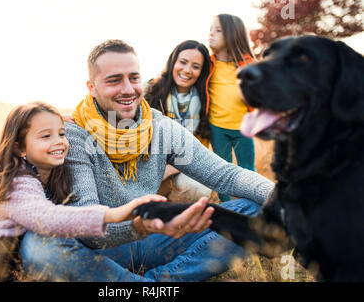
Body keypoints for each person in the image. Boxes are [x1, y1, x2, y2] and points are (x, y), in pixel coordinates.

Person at [20, 40, 275, 282]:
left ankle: (163, 279)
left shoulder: (161, 128)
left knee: (258, 208)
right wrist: (140, 226)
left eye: (134, 78)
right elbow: (89, 232)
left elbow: (226, 175)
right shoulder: (72, 134)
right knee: (38, 246)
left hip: (159, 239)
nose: (128, 90)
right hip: (101, 250)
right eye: (114, 80)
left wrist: (289, 200)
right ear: (92, 87)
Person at [0, 101, 165, 282]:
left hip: (3, 253)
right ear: (20, 147)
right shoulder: (13, 180)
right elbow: (46, 217)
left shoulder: (50, 173)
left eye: (61, 134)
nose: (59, 142)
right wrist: (114, 215)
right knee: (41, 240)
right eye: (46, 136)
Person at [144, 40, 213, 202]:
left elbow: (196, 153)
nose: (187, 70)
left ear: (202, 72)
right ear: (173, 62)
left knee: (198, 187)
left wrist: (169, 169)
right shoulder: (151, 90)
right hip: (146, 165)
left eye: (196, 66)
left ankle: (176, 216)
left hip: (181, 168)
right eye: (183, 62)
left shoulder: (206, 102)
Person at [208, 14, 257, 202]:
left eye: (218, 30)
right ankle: (227, 207)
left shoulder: (248, 65)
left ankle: (251, 205)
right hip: (217, 127)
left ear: (232, 34)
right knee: (222, 170)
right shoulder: (208, 64)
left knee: (247, 169)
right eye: (210, 29)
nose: (211, 34)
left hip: (243, 127)